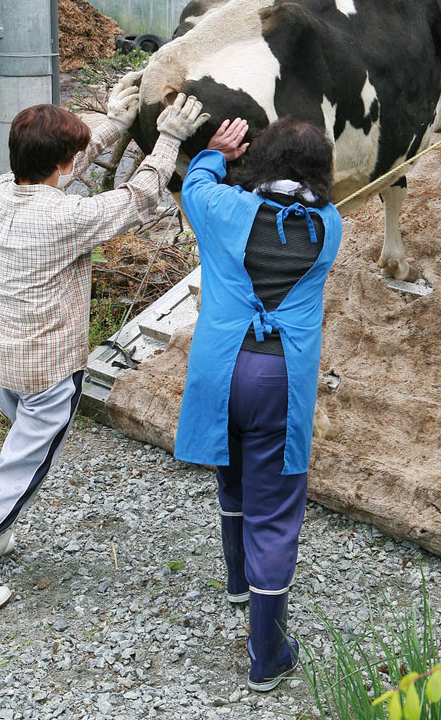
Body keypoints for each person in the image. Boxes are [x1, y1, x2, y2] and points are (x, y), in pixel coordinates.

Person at [0, 77, 209, 609]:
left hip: (3, 357)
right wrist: (170, 137)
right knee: (21, 468)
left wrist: (112, 123)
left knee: (17, 454)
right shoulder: (67, 219)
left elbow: (62, 175)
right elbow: (139, 197)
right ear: (63, 163)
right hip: (48, 375)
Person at [174, 116, 343, 693]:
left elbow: (194, 186)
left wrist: (218, 152)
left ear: (261, 162)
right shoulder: (330, 228)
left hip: (221, 371)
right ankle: (266, 655)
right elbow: (302, 212)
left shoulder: (221, 210)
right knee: (275, 512)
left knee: (232, 471)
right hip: (280, 378)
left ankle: (238, 582)